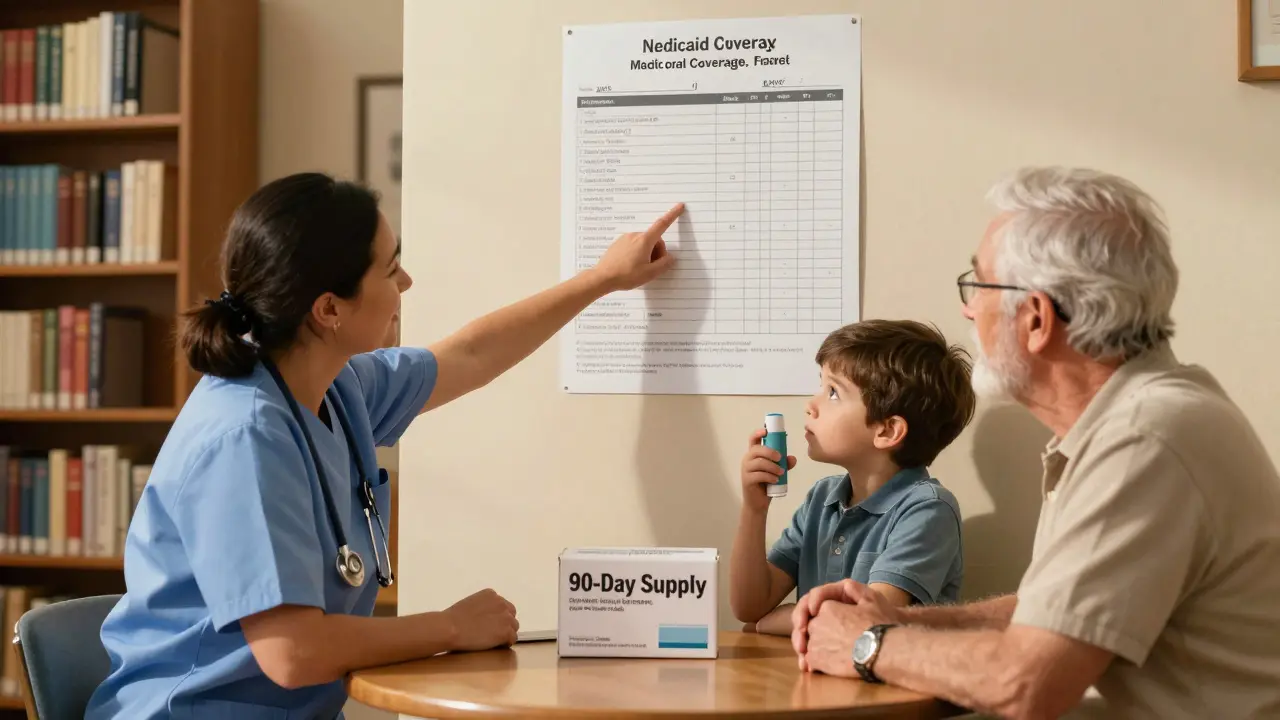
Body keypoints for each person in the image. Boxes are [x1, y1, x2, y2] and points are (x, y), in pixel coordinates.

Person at [83, 172, 684, 719]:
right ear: (329, 310)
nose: (407, 282)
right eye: (389, 268)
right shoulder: (243, 437)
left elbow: (469, 356)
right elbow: (292, 653)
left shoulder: (333, 387)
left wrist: (603, 280)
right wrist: (449, 626)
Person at [792, 167, 1280, 719]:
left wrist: (867, 645)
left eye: (978, 285)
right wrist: (898, 620)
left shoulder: (1144, 441)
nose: (967, 309)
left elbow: (1027, 685)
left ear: (1037, 319)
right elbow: (1049, 614)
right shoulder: (1139, 418)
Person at [729, 319, 975, 636]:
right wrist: (754, 509)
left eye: (833, 392)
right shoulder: (822, 499)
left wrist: (775, 621)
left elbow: (864, 622)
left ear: (887, 430)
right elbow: (748, 606)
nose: (811, 405)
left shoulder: (928, 511)